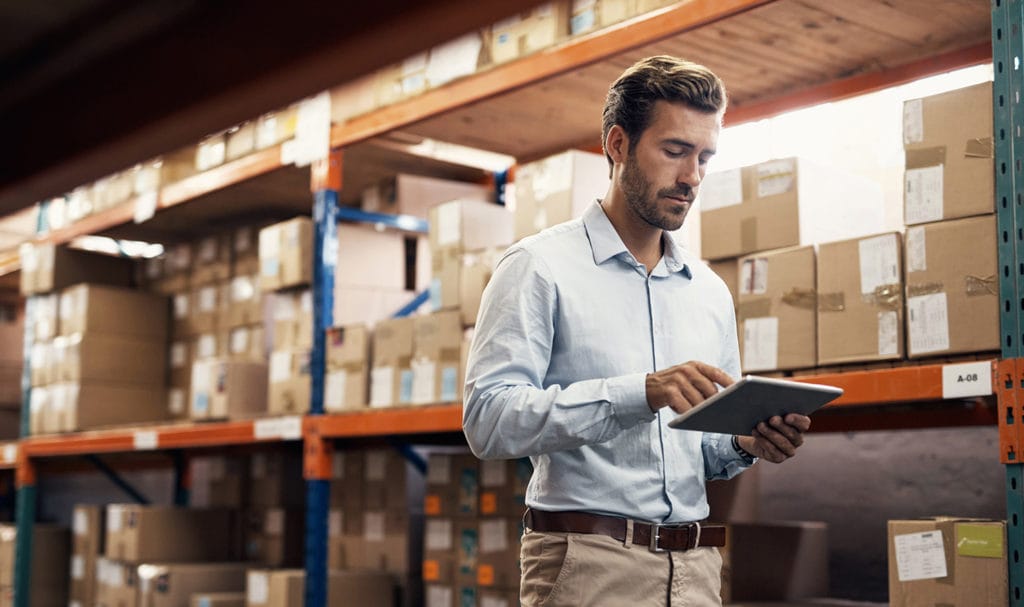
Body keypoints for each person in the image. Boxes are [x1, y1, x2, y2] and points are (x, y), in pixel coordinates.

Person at [462, 55, 812, 606]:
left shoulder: (708, 291)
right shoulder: (538, 267)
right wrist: (640, 391)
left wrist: (745, 441)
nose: (691, 176)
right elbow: (488, 422)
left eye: (704, 157)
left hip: (696, 568)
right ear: (618, 145)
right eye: (674, 151)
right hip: (588, 566)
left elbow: (704, 448)